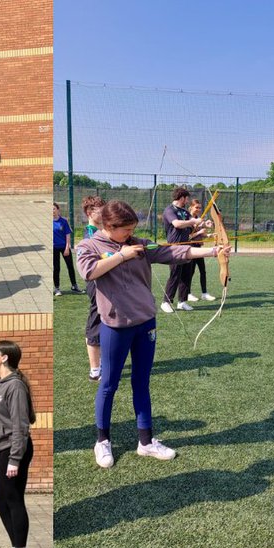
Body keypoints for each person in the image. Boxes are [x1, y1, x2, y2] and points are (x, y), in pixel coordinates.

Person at [75, 199, 230, 469]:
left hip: (145, 322)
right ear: (109, 226)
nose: (130, 234)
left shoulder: (140, 244)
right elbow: (88, 271)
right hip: (115, 325)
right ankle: (102, 441)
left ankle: (145, 442)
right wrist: (122, 255)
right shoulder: (89, 245)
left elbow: (174, 252)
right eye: (125, 230)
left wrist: (213, 251)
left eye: (132, 229)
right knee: (109, 383)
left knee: (141, 381)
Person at [0, 340, 36, 548]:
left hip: (14, 449)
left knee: (13, 499)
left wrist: (15, 459)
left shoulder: (15, 386)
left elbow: (20, 425)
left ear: (4, 357)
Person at [80, 196, 106, 381]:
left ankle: (103, 362)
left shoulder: (102, 230)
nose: (104, 214)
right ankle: (95, 370)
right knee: (95, 323)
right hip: (96, 282)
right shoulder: (90, 233)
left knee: (106, 321)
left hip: (106, 281)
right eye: (100, 211)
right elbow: (102, 254)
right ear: (90, 213)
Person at [161, 186, 198, 313]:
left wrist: (204, 223)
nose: (187, 201)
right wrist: (193, 221)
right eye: (186, 198)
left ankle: (182, 302)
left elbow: (193, 222)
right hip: (175, 247)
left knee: (186, 274)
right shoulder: (169, 210)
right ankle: (166, 302)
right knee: (175, 274)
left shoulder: (185, 212)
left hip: (187, 246)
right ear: (182, 198)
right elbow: (177, 224)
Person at [186, 197, 217, 303]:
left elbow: (201, 234)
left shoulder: (198, 219)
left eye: (200, 208)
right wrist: (199, 232)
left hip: (198, 248)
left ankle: (204, 293)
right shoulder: (187, 219)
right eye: (196, 207)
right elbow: (188, 237)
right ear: (191, 207)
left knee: (203, 271)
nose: (199, 209)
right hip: (191, 249)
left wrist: (208, 235)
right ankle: (188, 294)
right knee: (190, 272)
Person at [52, 202, 81, 295]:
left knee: (70, 266)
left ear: (58, 210)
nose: (52, 211)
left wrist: (67, 247)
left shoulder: (63, 221)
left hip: (64, 247)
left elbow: (67, 235)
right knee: (56, 268)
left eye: (54, 209)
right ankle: (57, 288)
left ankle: (74, 286)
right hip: (54, 248)